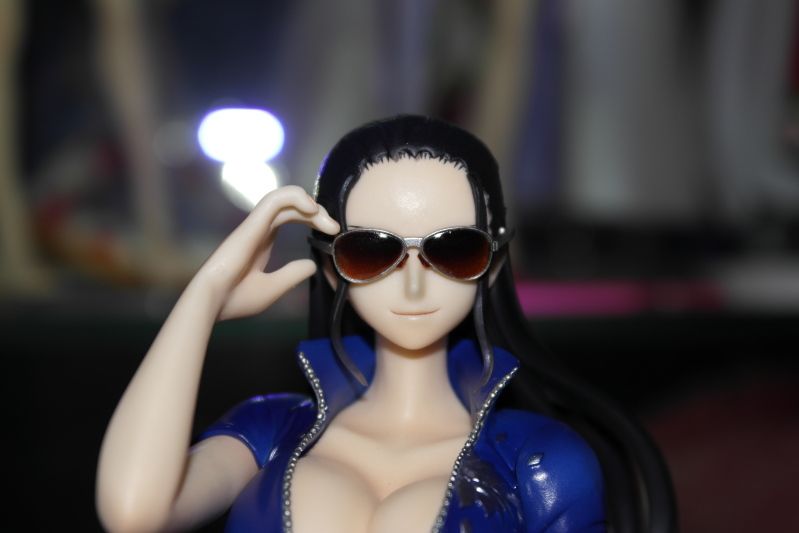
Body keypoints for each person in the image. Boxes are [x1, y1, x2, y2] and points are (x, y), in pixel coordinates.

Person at [97, 115, 675, 532]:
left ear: (493, 264)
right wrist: (202, 299)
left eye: (454, 250)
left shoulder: (539, 459)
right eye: (373, 251)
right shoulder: (271, 430)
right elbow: (134, 512)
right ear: (332, 269)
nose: (414, 284)